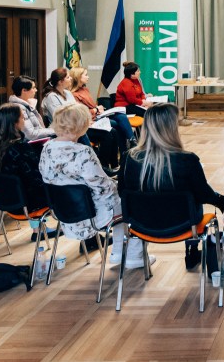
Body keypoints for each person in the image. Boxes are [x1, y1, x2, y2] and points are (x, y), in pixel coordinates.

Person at [39, 103, 151, 269]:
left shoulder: (46, 148)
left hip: (64, 212)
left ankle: (118, 252)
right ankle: (134, 255)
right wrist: (121, 185)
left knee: (121, 200)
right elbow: (103, 187)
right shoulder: (82, 152)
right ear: (81, 125)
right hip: (92, 213)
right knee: (133, 201)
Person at [119, 103, 224, 269]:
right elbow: (203, 194)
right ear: (170, 128)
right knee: (192, 200)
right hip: (184, 225)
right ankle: (192, 249)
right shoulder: (187, 159)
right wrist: (221, 200)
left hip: (141, 225)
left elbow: (122, 191)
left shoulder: (128, 158)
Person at [0, 102, 51, 238]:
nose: (24, 120)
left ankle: (39, 229)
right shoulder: (19, 148)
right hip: (30, 203)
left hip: (5, 202)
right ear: (14, 122)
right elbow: (37, 180)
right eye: (22, 117)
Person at [69, 66, 136, 146]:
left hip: (98, 115)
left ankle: (133, 141)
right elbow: (81, 114)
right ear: (78, 77)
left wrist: (98, 108)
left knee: (121, 116)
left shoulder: (85, 90)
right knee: (116, 124)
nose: (88, 77)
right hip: (91, 120)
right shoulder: (73, 95)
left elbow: (92, 105)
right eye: (86, 75)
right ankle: (124, 150)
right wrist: (96, 110)